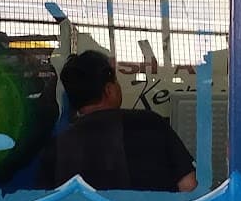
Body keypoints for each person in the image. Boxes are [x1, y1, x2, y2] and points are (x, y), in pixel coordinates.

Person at [40, 50, 196, 193]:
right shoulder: (150, 124)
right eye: (116, 80)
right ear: (109, 90)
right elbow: (188, 186)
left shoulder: (59, 145)